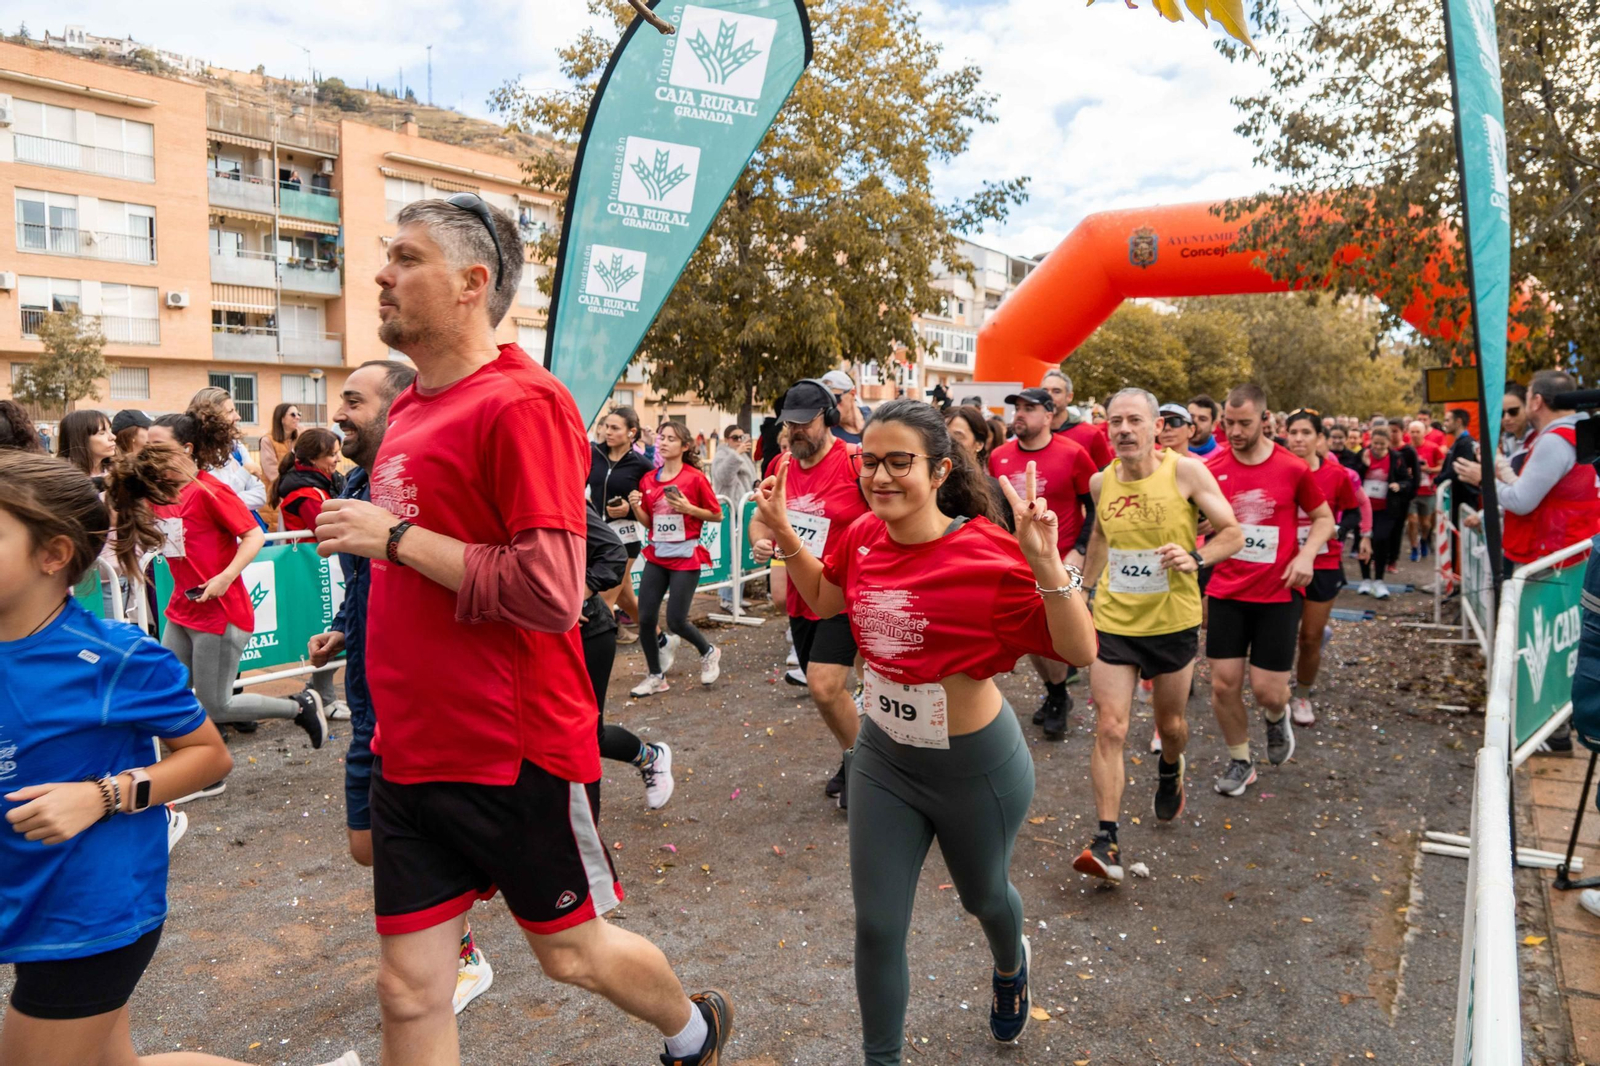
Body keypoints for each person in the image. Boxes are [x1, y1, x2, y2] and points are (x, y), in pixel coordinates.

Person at [312, 196, 732, 1066]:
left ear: (472, 283)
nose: (381, 275)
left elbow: (548, 591)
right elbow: (419, 583)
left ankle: (694, 1032)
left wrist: (391, 537)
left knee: (570, 953)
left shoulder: (523, 402)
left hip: (510, 749)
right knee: (408, 990)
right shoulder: (415, 414)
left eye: (405, 257)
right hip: (408, 748)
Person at [752, 399, 1097, 1064]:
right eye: (870, 463)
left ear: (940, 471)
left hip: (975, 767)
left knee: (985, 897)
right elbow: (827, 601)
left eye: (898, 462)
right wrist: (787, 537)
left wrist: (1048, 562)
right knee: (879, 927)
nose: (879, 476)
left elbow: (1077, 650)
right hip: (883, 756)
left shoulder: (988, 552)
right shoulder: (860, 538)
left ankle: (1009, 964)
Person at [0, 451, 360, 1066]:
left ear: (53, 555)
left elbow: (207, 757)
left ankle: (301, 706)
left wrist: (101, 796)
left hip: (90, 913)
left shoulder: (114, 658)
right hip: (25, 903)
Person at [1077, 389, 1242, 882]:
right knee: (1110, 726)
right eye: (1115, 422)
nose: (1123, 429)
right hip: (1115, 620)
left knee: (1170, 726)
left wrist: (1196, 558)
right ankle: (1106, 840)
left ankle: (1171, 767)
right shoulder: (1099, 482)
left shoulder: (1185, 472)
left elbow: (1231, 531)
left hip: (1172, 619)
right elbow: (1102, 537)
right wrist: (1084, 594)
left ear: (1156, 427)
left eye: (1134, 421)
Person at [143, 414, 326, 760]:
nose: (148, 453)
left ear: (186, 449)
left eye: (157, 447)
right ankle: (194, 765)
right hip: (181, 611)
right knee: (167, 691)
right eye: (146, 446)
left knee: (218, 704)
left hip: (221, 614)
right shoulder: (158, 494)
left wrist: (224, 577)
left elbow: (254, 535)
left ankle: (299, 707)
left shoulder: (209, 490)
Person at [1205, 384, 1334, 797]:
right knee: (1223, 684)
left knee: (1268, 690)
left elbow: (1323, 518)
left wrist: (1307, 556)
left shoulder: (1292, 467)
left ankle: (1277, 717)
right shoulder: (1212, 466)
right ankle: (1241, 760)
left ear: (1266, 420)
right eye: (1229, 422)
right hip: (1226, 589)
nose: (1235, 431)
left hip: (1278, 593)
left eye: (1244, 423)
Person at [747, 379, 871, 805]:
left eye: (805, 423)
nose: (795, 431)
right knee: (837, 692)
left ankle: (864, 770)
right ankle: (857, 756)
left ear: (828, 418)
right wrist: (759, 541)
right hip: (803, 595)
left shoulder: (857, 462)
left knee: (822, 686)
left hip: (846, 593)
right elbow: (761, 521)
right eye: (789, 424)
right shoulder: (778, 467)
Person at [988, 387, 1096, 738]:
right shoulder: (1000, 456)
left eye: (1029, 408)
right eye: (1016, 408)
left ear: (1050, 415)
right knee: (1031, 637)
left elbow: (1093, 506)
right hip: (1017, 562)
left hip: (1062, 559)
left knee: (1057, 635)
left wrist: (1080, 549)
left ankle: (1058, 695)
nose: (1019, 414)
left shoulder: (1074, 454)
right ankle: (1056, 694)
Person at [1457, 370, 1600, 578]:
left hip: (1552, 561)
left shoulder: (1554, 440)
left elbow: (1521, 501)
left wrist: (1483, 480)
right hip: (1574, 553)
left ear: (1536, 401)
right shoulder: (1581, 433)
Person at [581, 498, 676, 808]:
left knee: (586, 734)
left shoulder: (554, 489)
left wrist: (574, 594)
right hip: (536, 633)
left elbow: (612, 552)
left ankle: (651, 758)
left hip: (587, 630)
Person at [1283, 411, 1370, 726]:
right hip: (1283, 564)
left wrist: (1333, 530)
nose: (1299, 439)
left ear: (1319, 438)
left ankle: (1302, 694)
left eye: (1306, 432)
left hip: (1323, 563)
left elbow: (1352, 513)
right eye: (1293, 432)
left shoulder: (1337, 475)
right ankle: (1277, 688)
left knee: (1309, 637)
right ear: (1285, 434)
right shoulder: (1278, 470)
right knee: (1280, 634)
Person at [626, 420, 724, 696]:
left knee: (676, 620)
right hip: (658, 555)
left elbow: (717, 514)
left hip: (685, 556)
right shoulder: (648, 480)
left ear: (685, 446)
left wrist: (688, 507)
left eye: (670, 438)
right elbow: (649, 524)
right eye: (661, 437)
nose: (663, 442)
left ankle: (708, 651)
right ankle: (656, 676)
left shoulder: (694, 478)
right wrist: (635, 507)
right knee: (645, 618)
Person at [589, 406, 653, 644]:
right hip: (597, 534)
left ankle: (596, 657)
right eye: (606, 426)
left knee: (604, 597)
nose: (608, 432)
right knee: (625, 600)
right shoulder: (593, 454)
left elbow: (655, 504)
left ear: (631, 432)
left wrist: (630, 509)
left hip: (626, 536)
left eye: (615, 428)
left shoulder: (641, 464)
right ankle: (660, 641)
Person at [187, 388, 267, 524]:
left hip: (243, 534)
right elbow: (210, 500)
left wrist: (227, 499)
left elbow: (260, 496)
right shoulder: (192, 454)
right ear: (210, 417)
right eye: (230, 411)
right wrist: (245, 472)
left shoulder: (236, 447)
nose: (238, 417)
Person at [710, 423, 759, 609]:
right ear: (726, 439)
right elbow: (724, 477)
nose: (739, 441)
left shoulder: (744, 456)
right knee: (731, 556)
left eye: (742, 436)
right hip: (729, 511)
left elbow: (751, 478)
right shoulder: (723, 455)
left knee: (740, 555)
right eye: (735, 437)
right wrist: (736, 454)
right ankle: (727, 598)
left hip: (743, 510)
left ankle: (736, 595)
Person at [1354, 425, 1405, 598]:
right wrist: (1364, 465)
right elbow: (1352, 477)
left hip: (1385, 508)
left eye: (1382, 445)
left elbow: (1407, 479)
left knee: (1381, 541)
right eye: (1375, 443)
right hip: (1363, 508)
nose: (1378, 448)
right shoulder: (1362, 455)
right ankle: (1366, 578)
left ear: (1388, 444)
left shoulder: (1396, 458)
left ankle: (1379, 580)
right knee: (1363, 541)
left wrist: (1399, 485)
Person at [944, 404, 1012, 530]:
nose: (949, 443)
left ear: (979, 444)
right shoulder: (930, 487)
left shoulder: (994, 491)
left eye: (958, 437)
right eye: (944, 436)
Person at [270, 428, 344, 533]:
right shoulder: (308, 496)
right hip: (314, 549)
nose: (339, 459)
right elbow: (329, 532)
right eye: (332, 454)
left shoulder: (323, 482)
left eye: (338, 452)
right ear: (312, 458)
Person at [1041, 369, 1114, 468]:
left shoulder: (1091, 434)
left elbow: (1106, 476)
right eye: (1044, 391)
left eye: (1056, 391)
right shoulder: (1029, 433)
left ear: (1069, 396)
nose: (1049, 396)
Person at [258, 402, 302, 531]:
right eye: (293, 414)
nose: (297, 417)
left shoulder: (299, 439)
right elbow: (272, 472)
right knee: (275, 534)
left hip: (294, 493)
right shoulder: (267, 440)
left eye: (299, 414)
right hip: (275, 494)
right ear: (281, 418)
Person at [1407, 421, 1446, 561]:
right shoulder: (1406, 449)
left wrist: (1428, 469)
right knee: (1412, 520)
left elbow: (1442, 467)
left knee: (1426, 523)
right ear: (1408, 433)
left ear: (1424, 433)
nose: (1415, 434)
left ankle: (1424, 540)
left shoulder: (1433, 448)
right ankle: (1413, 547)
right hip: (1411, 491)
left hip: (1428, 490)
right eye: (1412, 432)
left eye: (1418, 432)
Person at [54, 410, 116, 483]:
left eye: (110, 430)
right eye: (102, 433)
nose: (113, 437)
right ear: (80, 439)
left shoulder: (117, 472)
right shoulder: (63, 479)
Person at [821, 369, 871, 444]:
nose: (831, 405)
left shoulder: (873, 418)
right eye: (826, 401)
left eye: (836, 398)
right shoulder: (828, 434)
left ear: (852, 393)